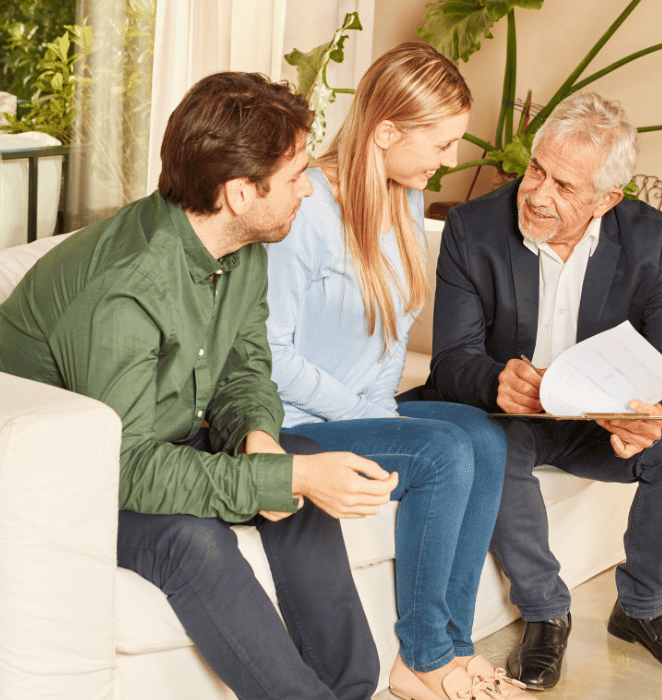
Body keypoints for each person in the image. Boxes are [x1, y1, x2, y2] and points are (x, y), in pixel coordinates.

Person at [0, 72, 388, 700]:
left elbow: (243, 367)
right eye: (297, 176)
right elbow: (126, 467)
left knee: (301, 470)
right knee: (195, 541)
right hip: (48, 484)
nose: (310, 191)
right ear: (241, 192)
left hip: (147, 440)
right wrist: (278, 478)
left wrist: (260, 438)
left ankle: (354, 690)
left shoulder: (242, 245)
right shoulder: (126, 288)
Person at [422, 91, 662, 687]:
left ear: (607, 198)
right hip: (511, 416)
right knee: (490, 445)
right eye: (537, 169)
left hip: (600, 418)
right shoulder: (472, 227)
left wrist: (648, 411)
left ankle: (642, 609)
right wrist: (496, 380)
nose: (537, 195)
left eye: (565, 186)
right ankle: (544, 613)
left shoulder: (651, 238)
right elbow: (450, 360)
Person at [264, 43, 527, 700]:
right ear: (385, 132)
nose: (450, 159)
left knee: (483, 436)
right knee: (441, 452)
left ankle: (454, 650)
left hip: (356, 410)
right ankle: (424, 660)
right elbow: (269, 355)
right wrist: (363, 415)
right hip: (294, 423)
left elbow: (388, 337)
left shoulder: (404, 198)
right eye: (440, 143)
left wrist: (379, 406)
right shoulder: (308, 209)